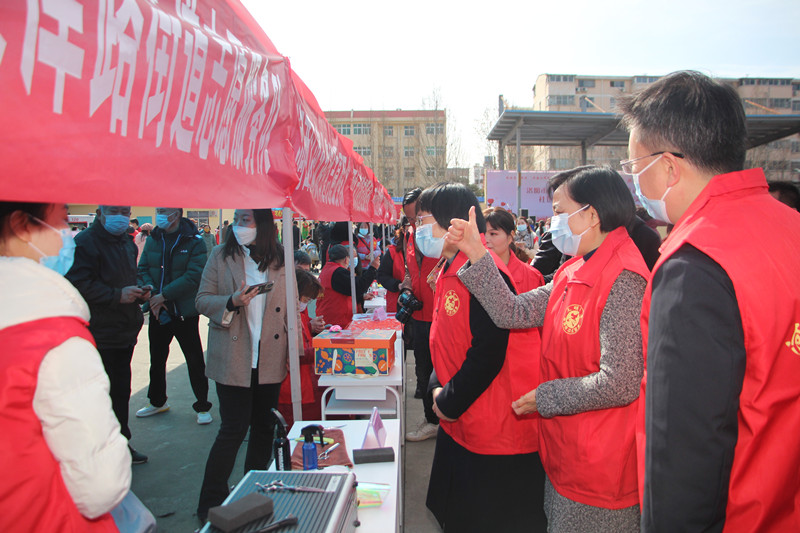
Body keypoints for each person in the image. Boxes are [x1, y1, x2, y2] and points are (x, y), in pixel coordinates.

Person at [618, 70, 800, 531]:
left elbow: (683, 451)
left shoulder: (695, 264)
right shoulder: (789, 227)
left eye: (635, 167)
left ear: (669, 167)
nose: (634, 181)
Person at [449, 167, 649, 532]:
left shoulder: (623, 278)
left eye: (559, 211)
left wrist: (547, 396)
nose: (552, 222)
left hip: (599, 468)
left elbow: (620, 381)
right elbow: (513, 311)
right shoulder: (572, 271)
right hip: (564, 451)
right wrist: (478, 255)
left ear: (591, 214)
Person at [411, 183, 541, 531]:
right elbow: (445, 344)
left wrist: (448, 401)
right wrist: (438, 390)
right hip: (463, 421)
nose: (418, 230)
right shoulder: (450, 269)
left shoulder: (485, 272)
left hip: (492, 431)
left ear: (453, 224)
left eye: (424, 221)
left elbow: (489, 351)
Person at [0, 201, 131, 531]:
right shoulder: (55, 337)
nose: (66, 236)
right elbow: (102, 486)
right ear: (21, 225)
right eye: (61, 221)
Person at [195, 208, 301, 521]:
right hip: (233, 356)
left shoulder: (281, 258)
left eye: (248, 220)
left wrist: (295, 352)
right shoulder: (220, 254)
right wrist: (231, 301)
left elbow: (291, 308)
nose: (241, 226)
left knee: (263, 428)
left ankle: (253, 493)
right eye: (239, 220)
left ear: (264, 225)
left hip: (269, 356)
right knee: (232, 429)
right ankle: (209, 503)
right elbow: (201, 299)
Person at [65, 205, 149, 465]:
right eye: (115, 210)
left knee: (121, 391)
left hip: (124, 329)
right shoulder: (85, 243)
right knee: (99, 394)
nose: (121, 217)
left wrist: (138, 291)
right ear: (100, 212)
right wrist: (116, 295)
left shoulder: (127, 243)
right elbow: (78, 283)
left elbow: (128, 276)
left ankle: (121, 443)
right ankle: (99, 453)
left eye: (125, 211)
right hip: (98, 332)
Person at [136, 207, 212, 425]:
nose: (160, 214)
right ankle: (157, 401)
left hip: (183, 312)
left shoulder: (193, 241)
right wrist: (151, 294)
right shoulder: (154, 238)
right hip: (158, 311)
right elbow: (143, 268)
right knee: (157, 358)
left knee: (194, 359)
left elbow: (194, 275)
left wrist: (164, 295)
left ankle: (203, 405)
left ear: (176, 214)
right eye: (158, 210)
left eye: (165, 211)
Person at [401, 187, 441, 441]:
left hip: (440, 314)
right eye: (410, 219)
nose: (414, 223)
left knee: (442, 371)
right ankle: (431, 420)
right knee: (422, 369)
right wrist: (407, 284)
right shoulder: (410, 235)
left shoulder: (441, 236)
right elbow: (410, 269)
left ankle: (441, 419)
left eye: (417, 217)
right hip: (419, 315)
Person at [278, 268, 325, 427]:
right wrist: (323, 351)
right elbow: (292, 353)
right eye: (304, 299)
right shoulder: (280, 317)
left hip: (307, 384)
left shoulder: (300, 314)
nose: (305, 303)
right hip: (292, 389)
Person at [316, 244, 378, 328]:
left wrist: (361, 297)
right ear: (346, 259)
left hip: (330, 318)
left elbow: (343, 290)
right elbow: (358, 287)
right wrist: (373, 268)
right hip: (335, 322)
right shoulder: (337, 272)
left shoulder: (328, 269)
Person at [377, 217, 407, 314]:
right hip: (397, 304)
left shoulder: (426, 251)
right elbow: (381, 275)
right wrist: (398, 285)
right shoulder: (392, 252)